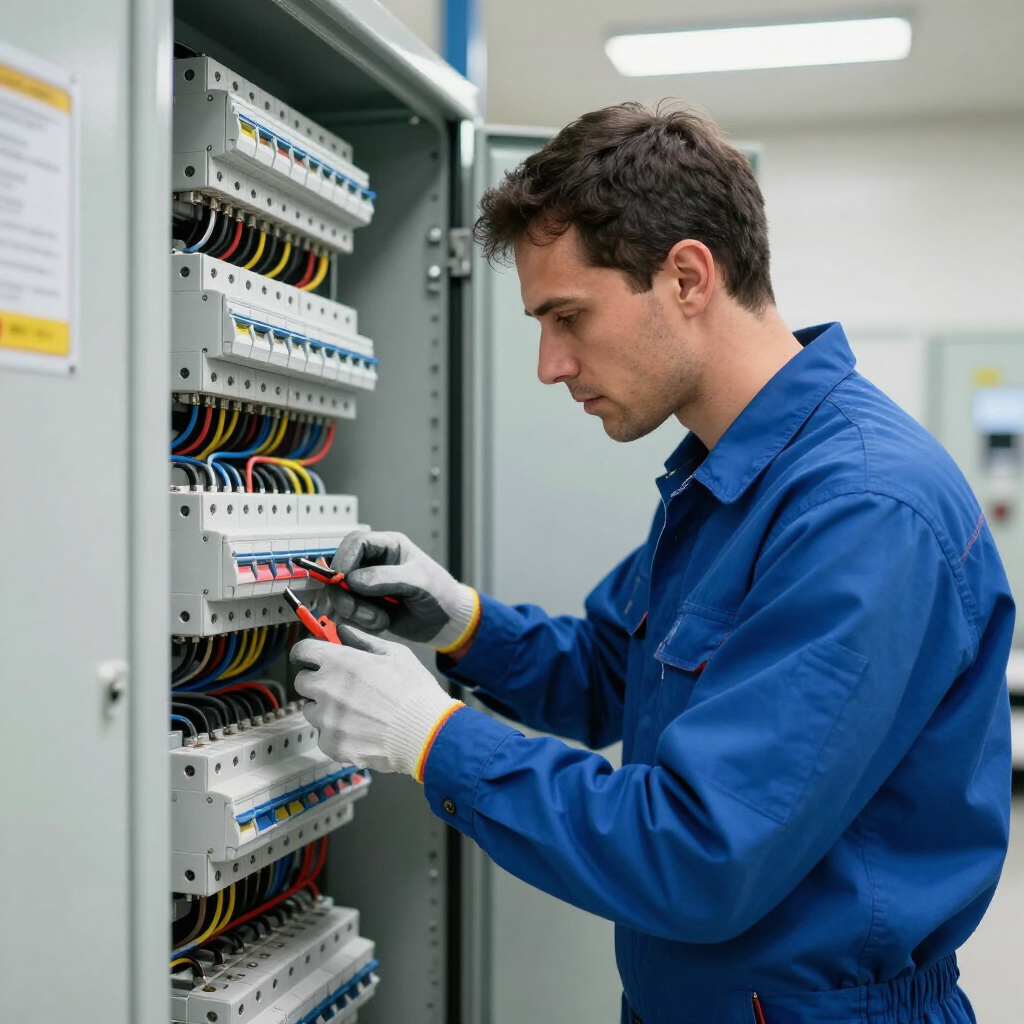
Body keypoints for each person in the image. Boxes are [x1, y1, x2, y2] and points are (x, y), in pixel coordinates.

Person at [291, 103, 1014, 1024]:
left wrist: (431, 738)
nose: (551, 364)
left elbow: (700, 854)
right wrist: (462, 623)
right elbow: (614, 675)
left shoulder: (860, 510)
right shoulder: (733, 477)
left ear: (687, 277)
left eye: (568, 316)